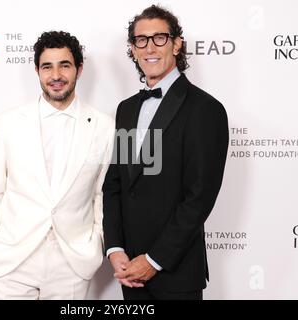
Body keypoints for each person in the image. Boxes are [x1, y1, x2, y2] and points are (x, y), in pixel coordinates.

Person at [103, 5, 229, 300]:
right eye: (141, 40)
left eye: (160, 38)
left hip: (176, 272)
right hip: (130, 274)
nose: (150, 47)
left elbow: (198, 198)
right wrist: (115, 247)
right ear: (133, 49)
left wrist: (154, 260)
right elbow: (115, 184)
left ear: (177, 44)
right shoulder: (127, 109)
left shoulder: (205, 110)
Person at [0, 31, 114, 299]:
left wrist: (95, 243)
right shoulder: (8, 122)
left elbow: (101, 194)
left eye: (65, 65)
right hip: (12, 259)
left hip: (71, 263)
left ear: (79, 69)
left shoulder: (104, 126)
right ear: (37, 71)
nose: (56, 75)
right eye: (47, 67)